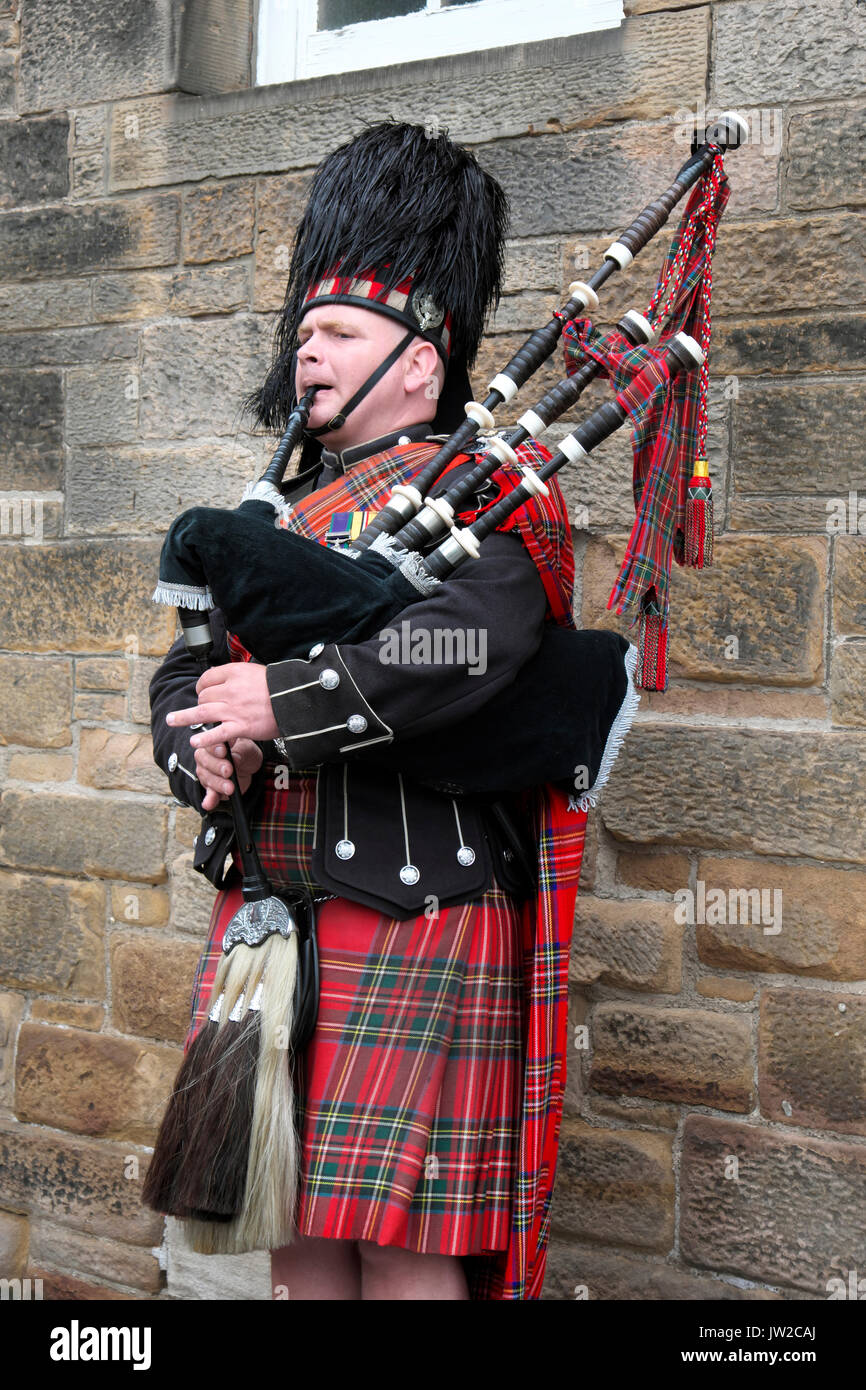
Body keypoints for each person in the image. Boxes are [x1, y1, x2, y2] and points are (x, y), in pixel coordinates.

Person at [148, 122, 623, 1300]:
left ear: (422, 358)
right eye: (301, 334)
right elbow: (185, 672)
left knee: (404, 1254)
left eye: (338, 334)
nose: (305, 356)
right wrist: (198, 744)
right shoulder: (277, 520)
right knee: (296, 1235)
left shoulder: (489, 497)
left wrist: (283, 702)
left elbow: (464, 649)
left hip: (422, 908)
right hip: (273, 917)